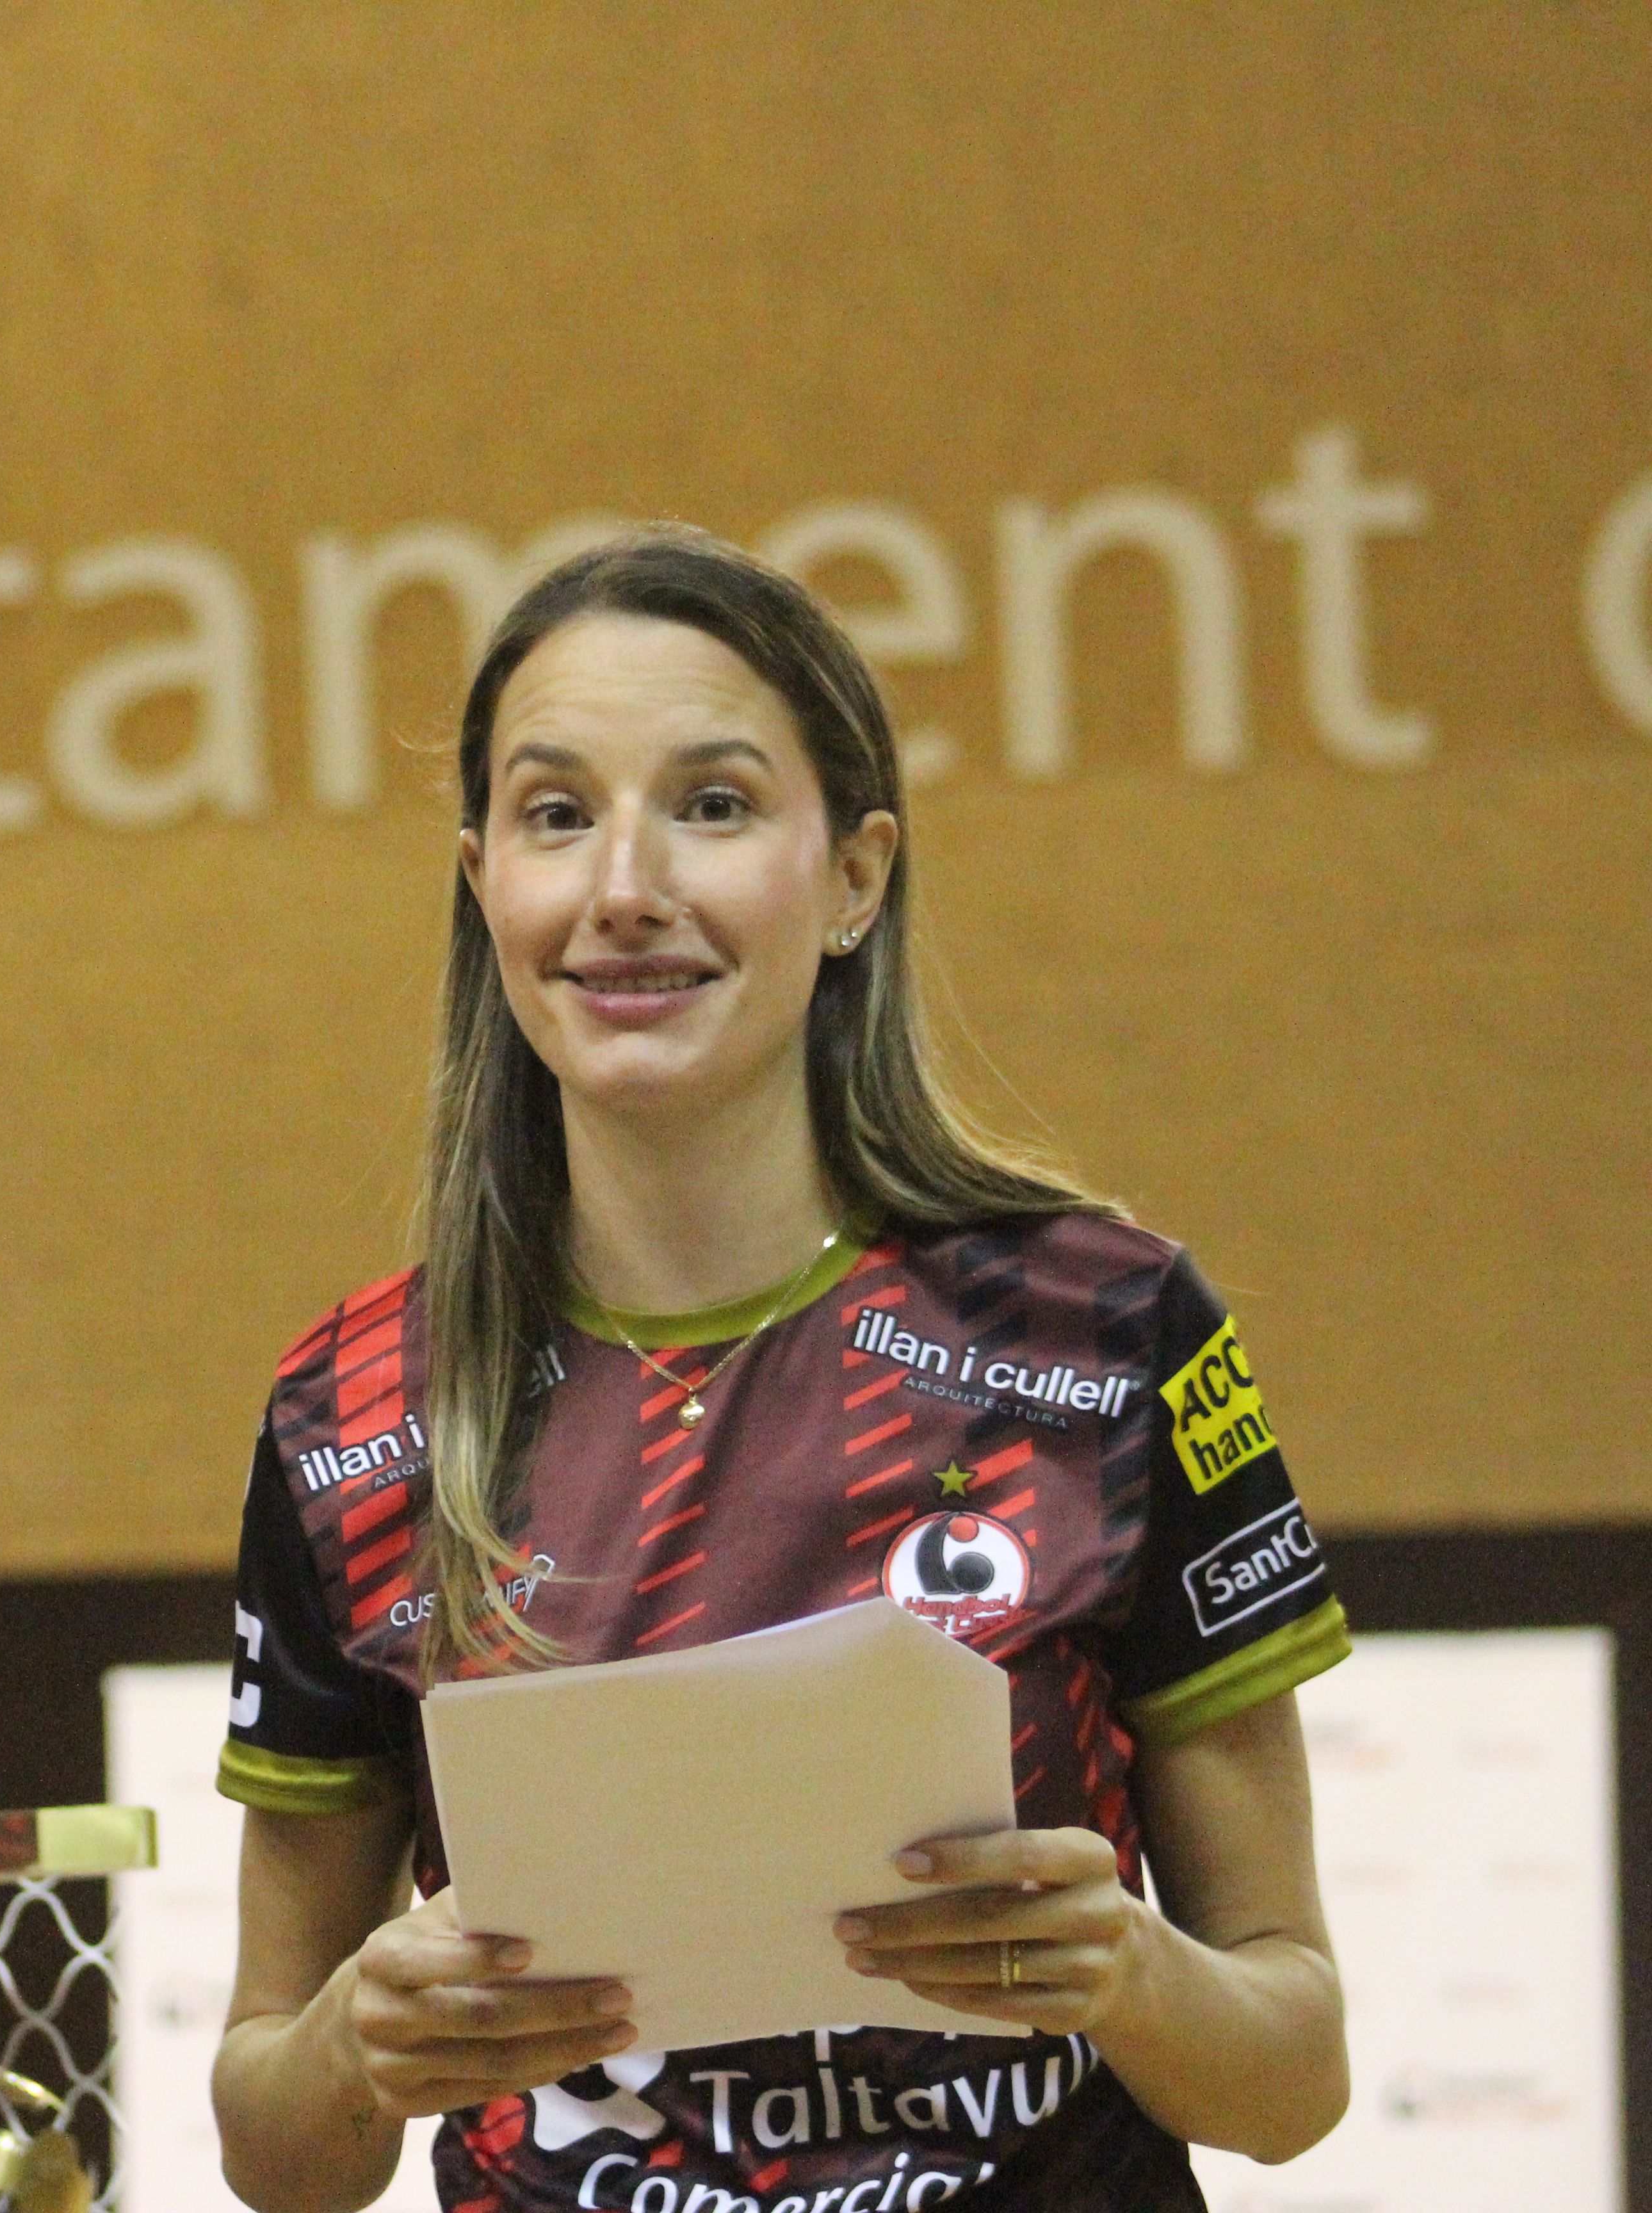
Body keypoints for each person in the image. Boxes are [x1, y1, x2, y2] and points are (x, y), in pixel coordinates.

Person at [208, 531, 1349, 2212]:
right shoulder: (356, 1411)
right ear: (481, 884)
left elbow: (1293, 2072)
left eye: (716, 805)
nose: (624, 888)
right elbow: (272, 2145)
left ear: (855, 877)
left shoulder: (1106, 1330)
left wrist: (1121, 1966)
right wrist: (351, 2052)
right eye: (554, 812)